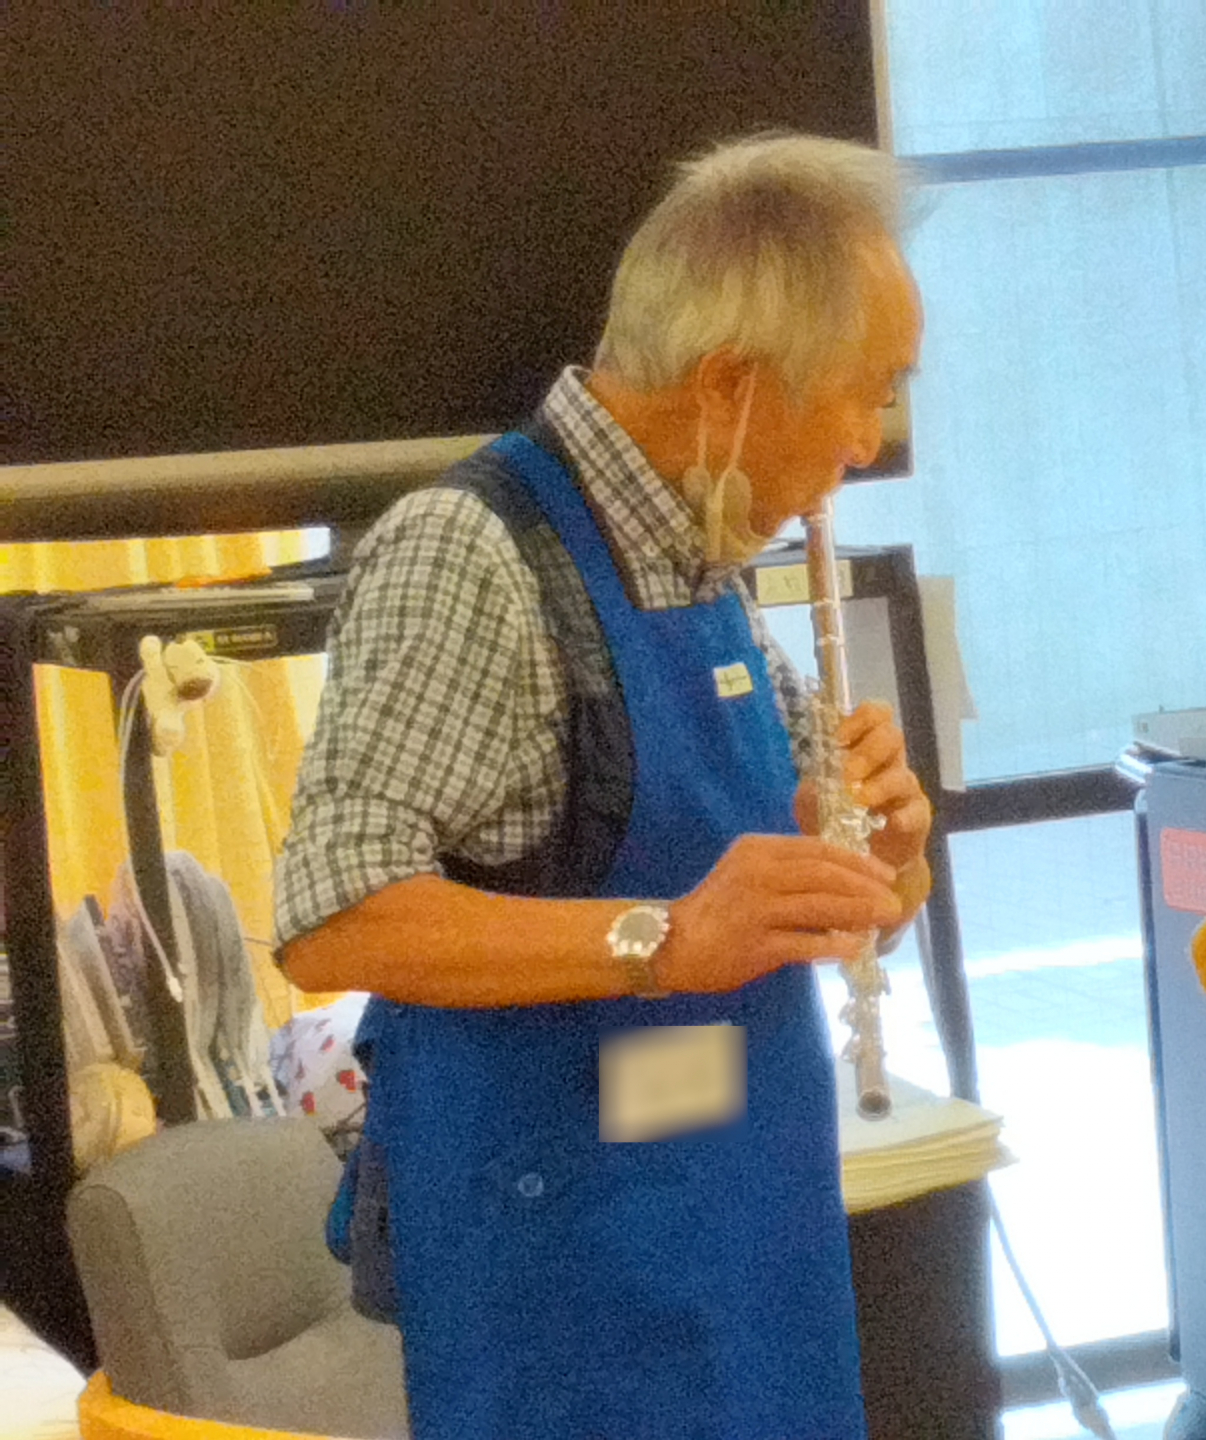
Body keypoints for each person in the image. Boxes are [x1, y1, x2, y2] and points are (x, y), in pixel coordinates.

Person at [273, 133, 931, 1440]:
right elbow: (331, 916)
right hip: (567, 1289)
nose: (870, 442)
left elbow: (841, 903)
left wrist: (887, 857)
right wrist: (666, 938)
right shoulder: (467, 553)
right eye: (867, 395)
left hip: (744, 1245)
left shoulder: (703, 549)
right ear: (733, 384)